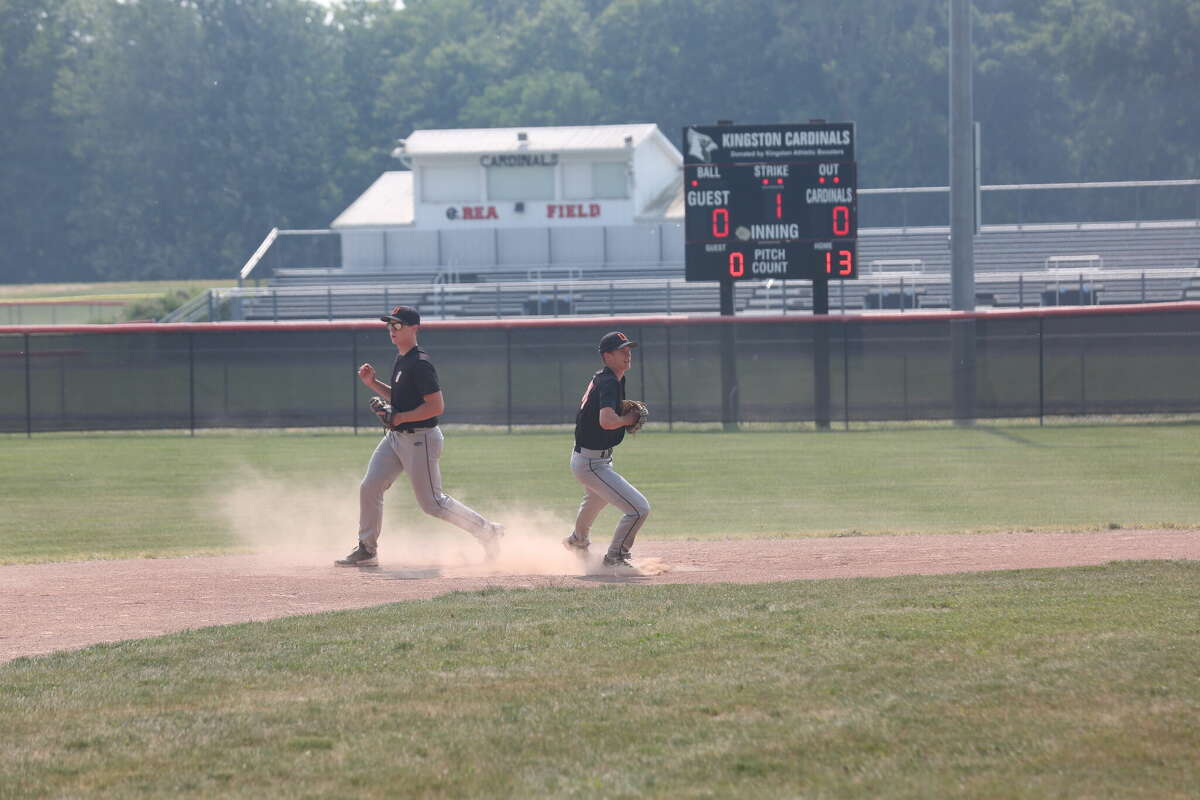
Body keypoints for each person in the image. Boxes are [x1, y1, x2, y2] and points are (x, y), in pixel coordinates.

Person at [336, 305, 503, 567]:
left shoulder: (420, 363)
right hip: (396, 438)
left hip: (420, 438)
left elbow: (436, 407)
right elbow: (402, 399)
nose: (392, 329)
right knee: (370, 487)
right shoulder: (402, 358)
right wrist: (374, 385)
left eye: (398, 325)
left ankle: (488, 531)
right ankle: (367, 549)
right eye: (389, 325)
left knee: (433, 504)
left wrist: (398, 417)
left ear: (414, 328)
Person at [563, 331, 651, 568]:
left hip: (591, 459)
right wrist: (627, 419)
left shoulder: (610, 378)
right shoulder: (610, 381)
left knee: (595, 499)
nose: (627, 353)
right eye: (621, 350)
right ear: (607, 356)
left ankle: (577, 541)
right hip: (591, 463)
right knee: (638, 509)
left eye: (628, 349)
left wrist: (623, 419)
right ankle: (616, 557)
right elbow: (607, 420)